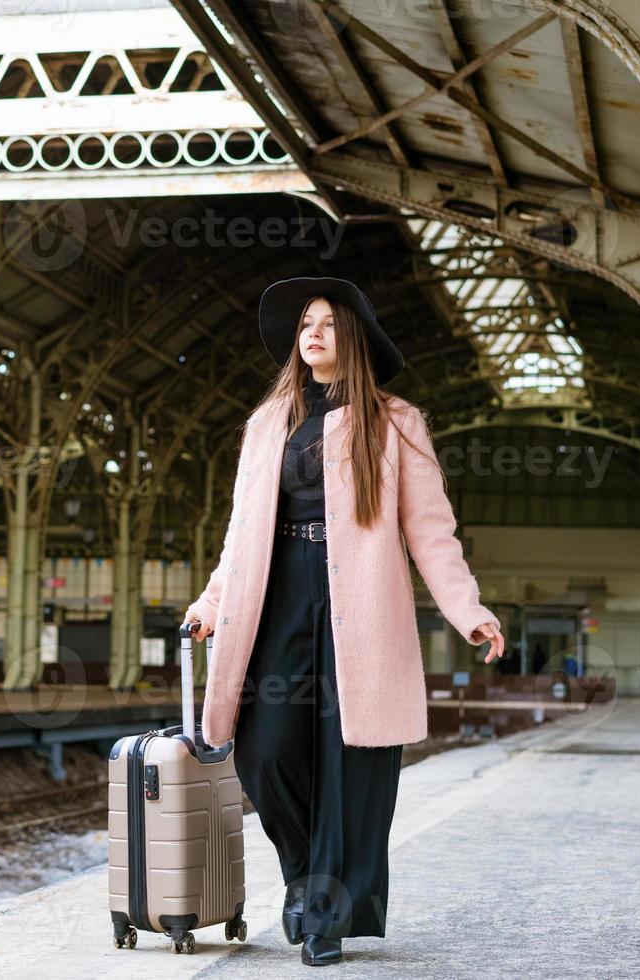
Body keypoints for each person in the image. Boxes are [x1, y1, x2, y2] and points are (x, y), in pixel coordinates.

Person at [182, 276, 505, 967]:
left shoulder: (395, 421)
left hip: (363, 604)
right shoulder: (267, 423)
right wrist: (213, 603)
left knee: (349, 762)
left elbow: (432, 532)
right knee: (265, 751)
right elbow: (242, 533)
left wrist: (467, 611)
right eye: (305, 323)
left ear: (352, 338)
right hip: (278, 596)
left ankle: (326, 916)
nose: (314, 332)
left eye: (328, 323)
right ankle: (302, 877)